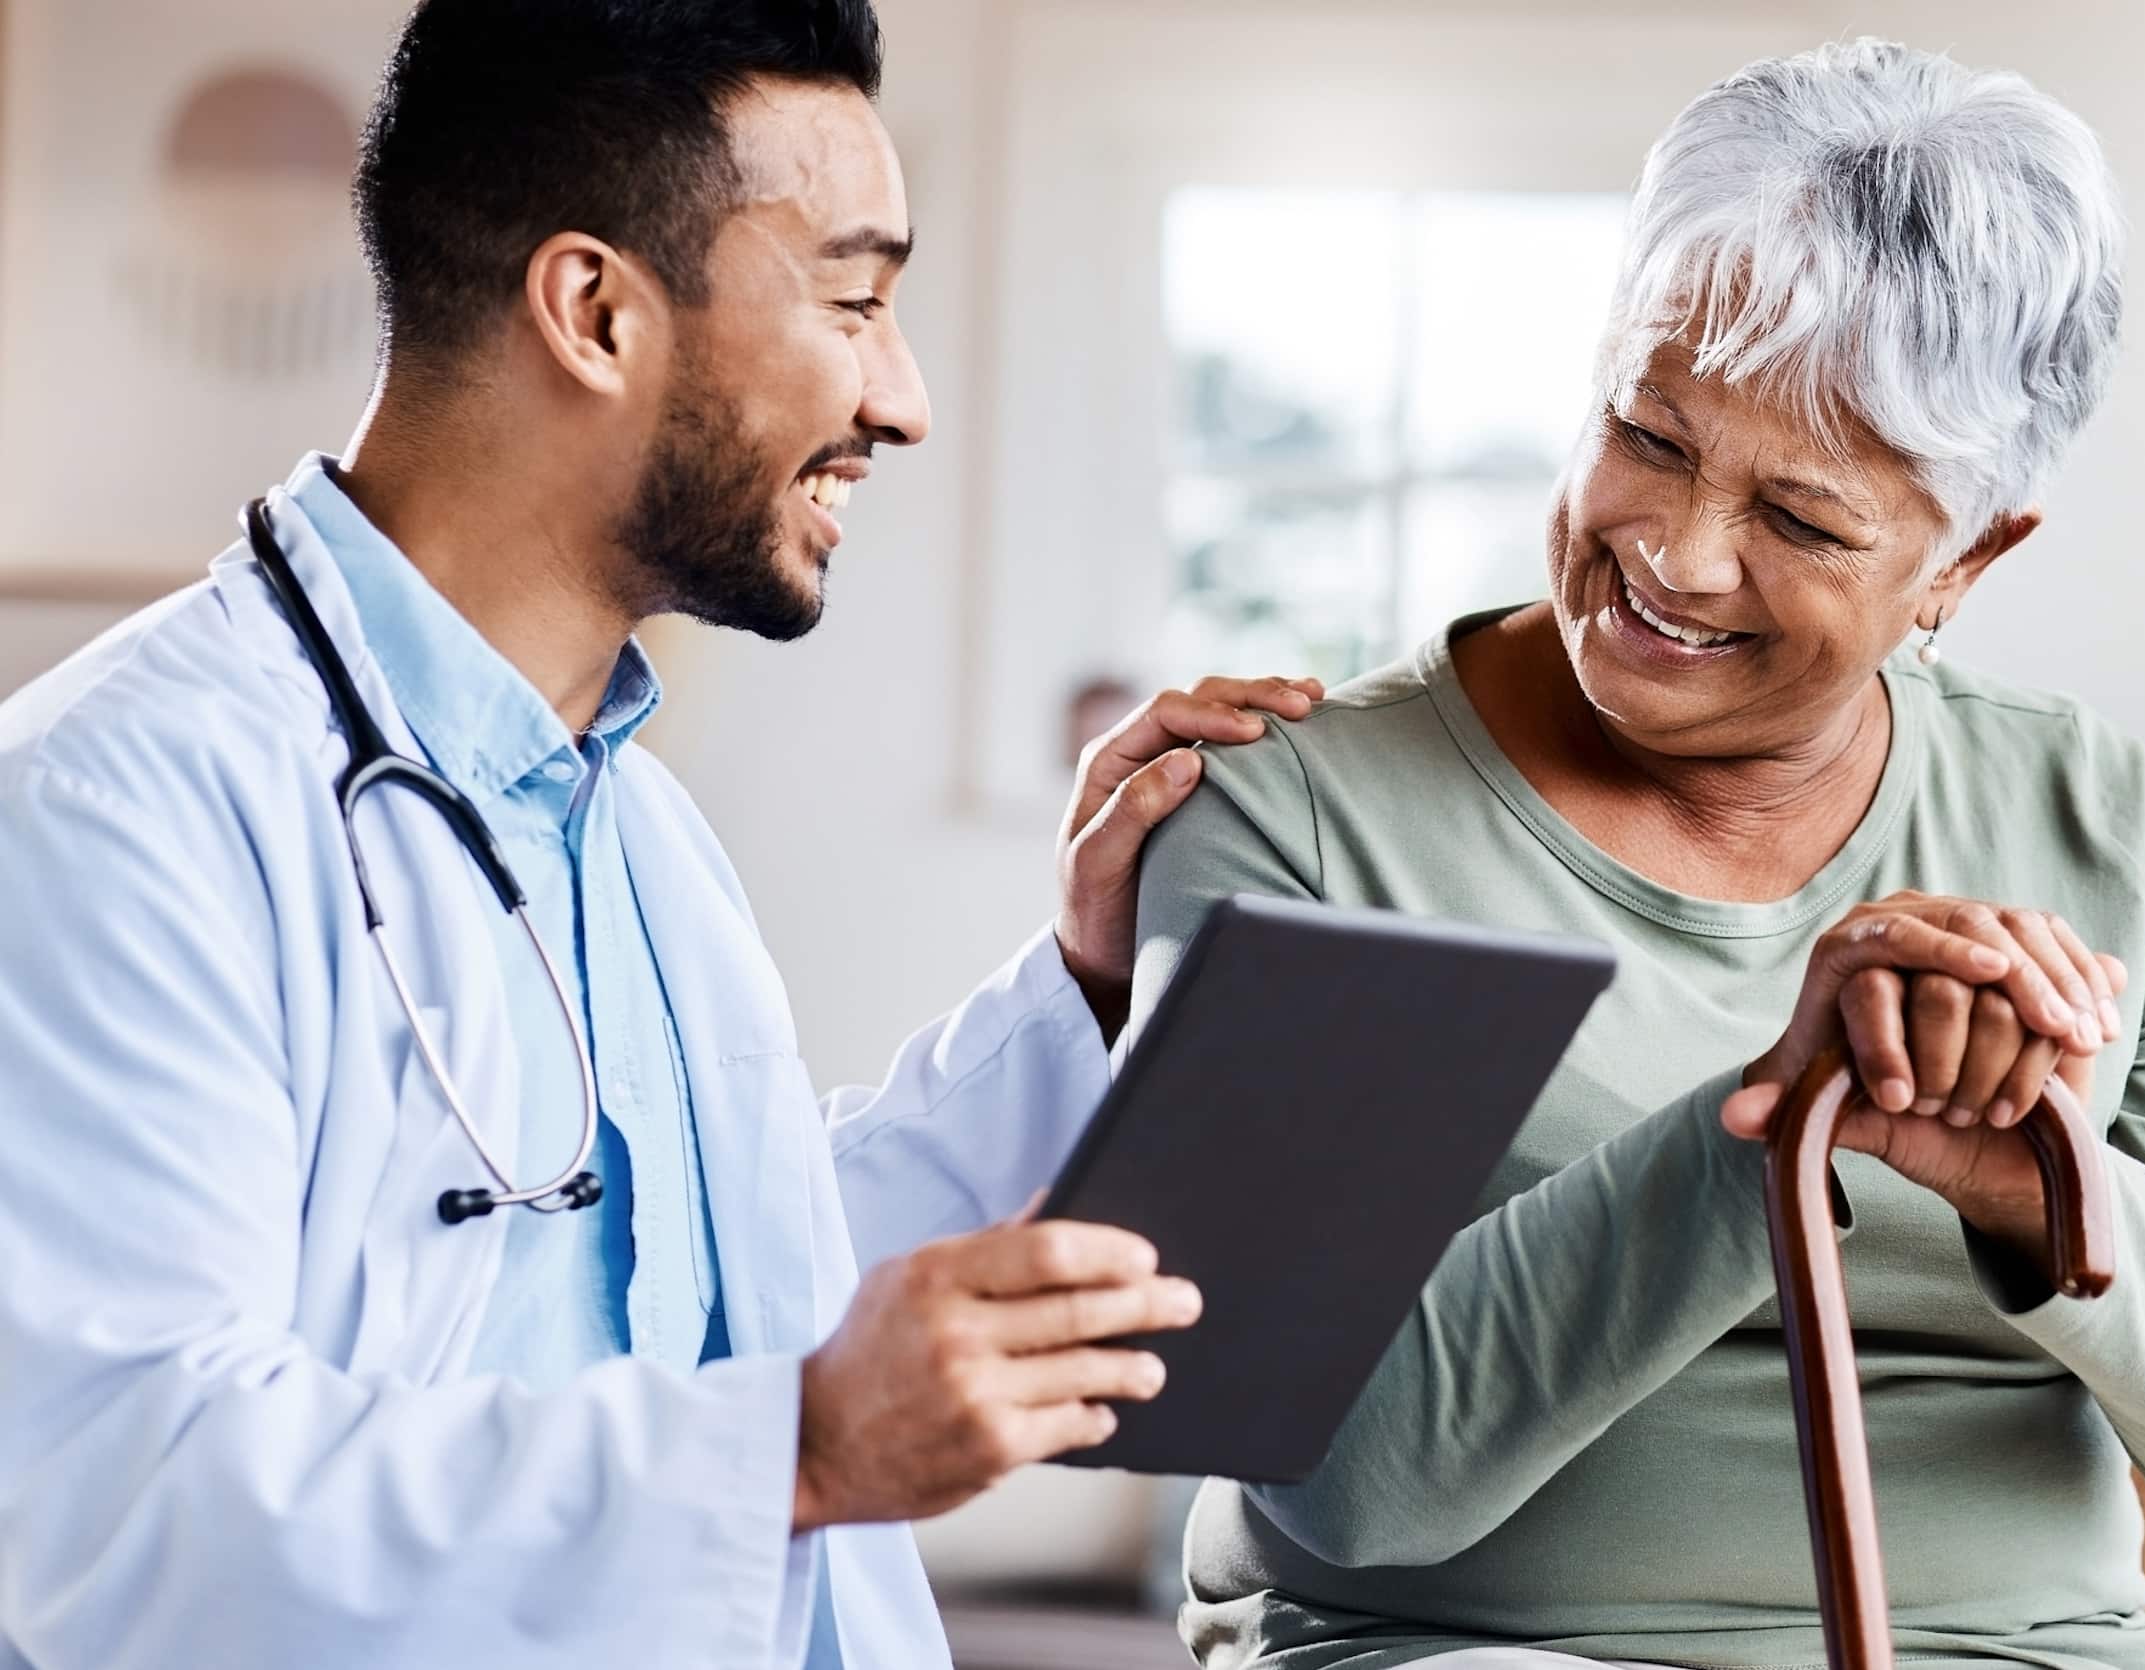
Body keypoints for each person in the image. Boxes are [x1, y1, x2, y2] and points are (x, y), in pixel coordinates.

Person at [0, 3, 1324, 1665]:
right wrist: (802, 1447)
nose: (901, 399)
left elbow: (735, 1277)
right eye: (854, 301)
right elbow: (126, 1512)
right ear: (596, 311)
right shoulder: (113, 812)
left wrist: (1081, 979)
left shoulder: (628, 813)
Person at [1132, 39, 2145, 1670]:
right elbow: (1338, 1481)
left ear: (1966, 559)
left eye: (1800, 522)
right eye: (1647, 434)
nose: (1673, 552)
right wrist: (1775, 1118)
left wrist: (2028, 1181)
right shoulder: (1299, 810)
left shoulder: (2081, 804)